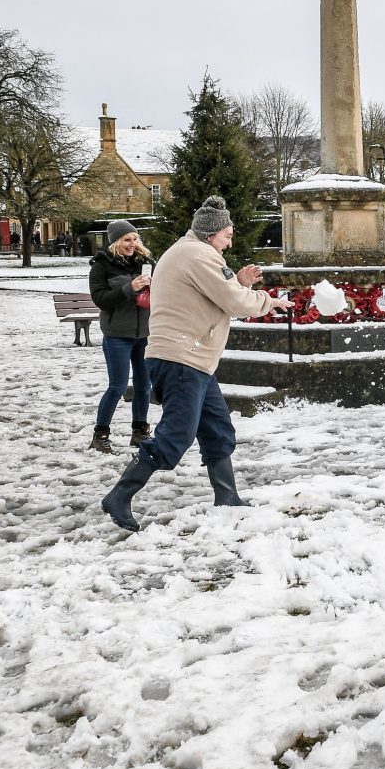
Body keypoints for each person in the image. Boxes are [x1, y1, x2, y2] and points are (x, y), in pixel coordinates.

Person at [101, 196, 292, 532]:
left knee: (217, 429)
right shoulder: (198, 254)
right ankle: (119, 495)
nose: (230, 243)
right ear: (209, 235)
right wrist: (266, 299)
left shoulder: (191, 253)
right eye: (227, 236)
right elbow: (233, 301)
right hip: (181, 358)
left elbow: (212, 294)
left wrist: (242, 283)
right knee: (176, 436)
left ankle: (227, 497)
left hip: (193, 359)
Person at [88, 220, 155, 453]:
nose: (132, 244)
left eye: (135, 239)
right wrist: (130, 288)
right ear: (116, 241)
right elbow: (101, 300)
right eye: (127, 239)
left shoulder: (145, 263)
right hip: (117, 334)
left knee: (144, 385)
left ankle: (140, 431)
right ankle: (101, 433)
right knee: (117, 386)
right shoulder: (101, 266)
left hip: (144, 334)